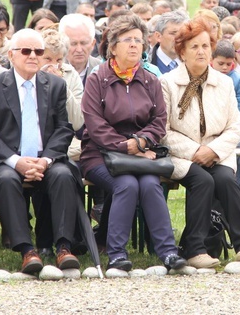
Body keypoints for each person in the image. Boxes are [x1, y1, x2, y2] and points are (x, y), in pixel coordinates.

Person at [80, 14, 186, 271]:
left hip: (142, 154)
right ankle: (116, 253)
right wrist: (125, 146)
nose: (134, 45)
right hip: (100, 154)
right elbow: (95, 124)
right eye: (127, 40)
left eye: (138, 40)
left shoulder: (150, 79)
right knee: (126, 185)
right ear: (112, 46)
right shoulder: (98, 79)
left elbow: (159, 120)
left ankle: (168, 252)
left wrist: (140, 143)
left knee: (150, 185)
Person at [0, 28, 80, 274]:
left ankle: (64, 247)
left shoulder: (55, 85)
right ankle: (27, 250)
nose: (33, 56)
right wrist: (17, 162)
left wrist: (44, 161)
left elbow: (64, 129)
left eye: (39, 51)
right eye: (26, 51)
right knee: (6, 179)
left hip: (46, 158)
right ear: (11, 55)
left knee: (64, 175)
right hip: (7, 160)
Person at [160, 19, 240, 268]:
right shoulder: (168, 83)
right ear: (182, 52)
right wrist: (195, 151)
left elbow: (235, 126)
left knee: (225, 180)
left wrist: (212, 150)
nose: (201, 51)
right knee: (202, 180)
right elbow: (163, 131)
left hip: (217, 151)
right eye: (194, 47)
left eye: (205, 46)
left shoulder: (224, 82)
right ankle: (195, 249)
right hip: (181, 154)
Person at [211, 40, 240, 208]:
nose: (224, 67)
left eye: (228, 64)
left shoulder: (238, 80)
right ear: (212, 60)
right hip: (212, 127)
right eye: (220, 63)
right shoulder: (207, 77)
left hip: (234, 126)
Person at [58, 13, 102, 87]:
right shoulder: (53, 70)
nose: (79, 50)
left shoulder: (102, 70)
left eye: (83, 43)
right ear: (62, 44)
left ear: (93, 43)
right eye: (73, 44)